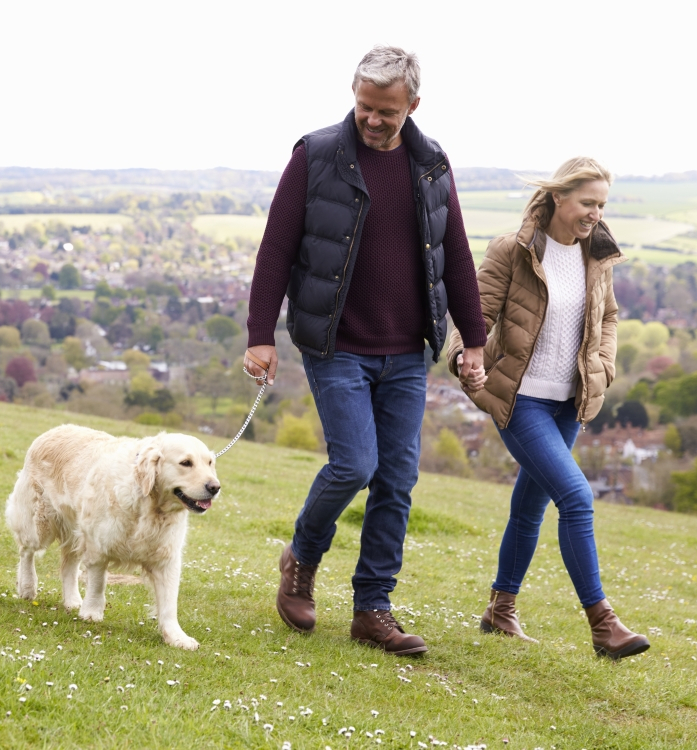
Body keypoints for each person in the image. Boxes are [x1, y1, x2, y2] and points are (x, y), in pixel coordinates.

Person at [244, 45, 487, 656]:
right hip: (336, 343)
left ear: (413, 105)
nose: (373, 120)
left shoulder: (431, 163)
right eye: (364, 107)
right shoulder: (316, 154)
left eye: (386, 111)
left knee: (397, 479)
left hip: (407, 349)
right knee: (355, 465)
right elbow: (276, 249)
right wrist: (259, 335)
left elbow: (454, 254)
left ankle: (372, 609)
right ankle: (301, 559)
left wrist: (474, 341)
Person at [445, 157, 650, 660]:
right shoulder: (512, 251)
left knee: (530, 506)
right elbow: (476, 313)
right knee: (577, 498)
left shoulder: (595, 256)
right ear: (559, 197)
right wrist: (460, 356)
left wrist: (603, 366)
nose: (595, 214)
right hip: (520, 400)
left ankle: (500, 608)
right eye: (587, 203)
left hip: (567, 404)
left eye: (601, 205)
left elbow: (609, 318)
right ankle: (603, 624)